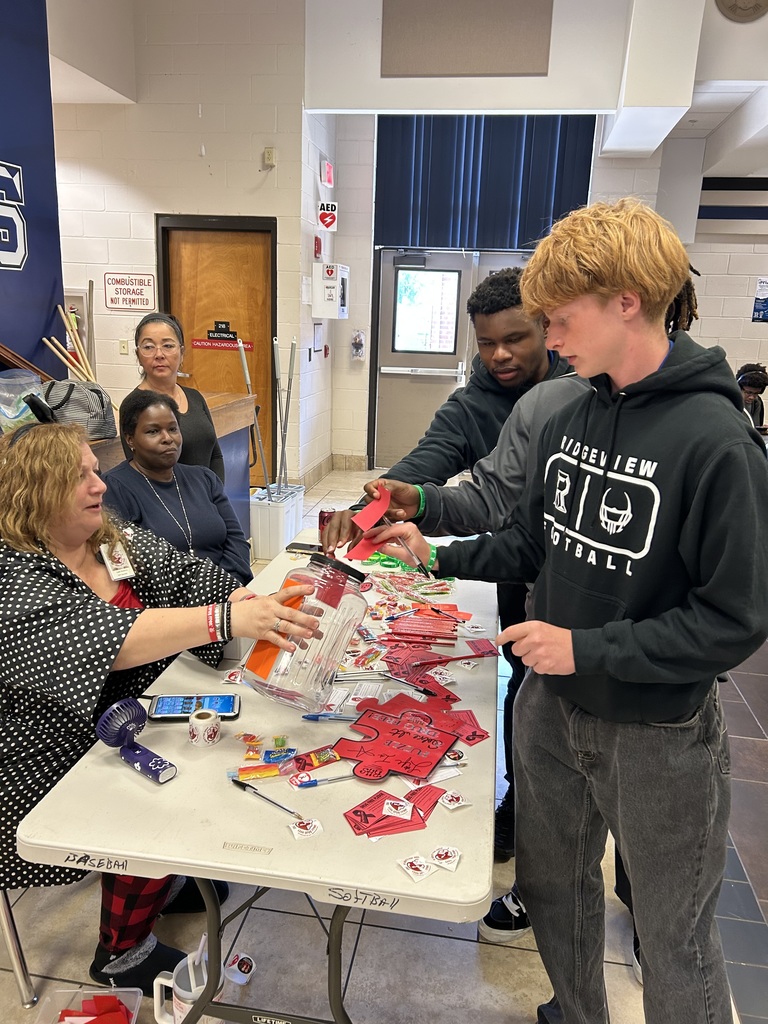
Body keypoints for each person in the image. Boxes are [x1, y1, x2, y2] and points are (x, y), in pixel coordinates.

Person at [363, 198, 768, 1024]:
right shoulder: (567, 409)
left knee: (674, 934)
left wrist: (588, 648)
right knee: (553, 891)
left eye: (558, 318)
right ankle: (576, 1013)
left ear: (627, 299)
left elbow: (735, 620)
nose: (547, 340)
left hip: (656, 732)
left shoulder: (718, 440)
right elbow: (529, 544)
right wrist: (433, 552)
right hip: (549, 708)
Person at [0, 422, 318, 995]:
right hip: (48, 750)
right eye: (80, 476)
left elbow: (186, 573)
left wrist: (242, 598)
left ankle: (161, 879)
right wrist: (221, 619)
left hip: (135, 715)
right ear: (36, 492)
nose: (100, 485)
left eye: (95, 469)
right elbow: (107, 638)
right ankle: (121, 952)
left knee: (207, 759)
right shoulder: (15, 574)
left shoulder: (107, 539)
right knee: (152, 800)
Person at [322, 266, 572, 861]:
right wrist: (369, 507)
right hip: (519, 561)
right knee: (525, 684)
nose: (500, 354)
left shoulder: (583, 385)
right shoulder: (473, 405)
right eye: (486, 343)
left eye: (516, 339)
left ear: (545, 326)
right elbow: (429, 467)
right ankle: (518, 804)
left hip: (585, 575)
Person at [105, 390, 252, 584]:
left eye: (173, 429)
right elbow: (126, 567)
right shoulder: (113, 489)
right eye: (153, 431)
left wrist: (225, 587)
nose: (167, 438)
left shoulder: (204, 478)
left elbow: (237, 542)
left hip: (227, 591)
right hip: (168, 605)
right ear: (130, 439)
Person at [122, 312, 225, 481]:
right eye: (148, 347)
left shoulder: (195, 397)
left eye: (168, 346)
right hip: (167, 503)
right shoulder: (134, 406)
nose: (159, 354)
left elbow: (215, 456)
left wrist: (215, 497)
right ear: (138, 355)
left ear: (182, 352)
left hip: (207, 500)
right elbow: (140, 474)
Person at [736, 361, 768, 428]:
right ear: (738, 387)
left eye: (756, 393)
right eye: (748, 392)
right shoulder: (727, 402)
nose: (752, 397)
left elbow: (755, 428)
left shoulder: (757, 402)